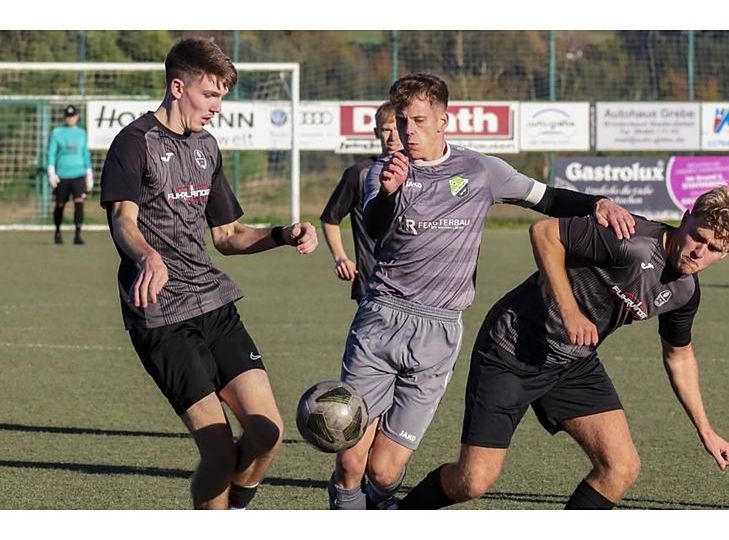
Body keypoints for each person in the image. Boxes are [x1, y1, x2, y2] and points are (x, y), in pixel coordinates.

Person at [326, 73, 636, 510]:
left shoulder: (480, 170)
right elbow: (376, 227)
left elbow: (544, 198)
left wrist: (595, 203)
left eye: (417, 120)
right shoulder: (386, 172)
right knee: (351, 462)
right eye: (401, 120)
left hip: (439, 332)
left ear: (443, 120)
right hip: (381, 319)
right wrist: (391, 195)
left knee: (384, 471)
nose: (406, 131)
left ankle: (378, 505)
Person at [398, 186, 729, 510]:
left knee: (621, 467)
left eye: (715, 249)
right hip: (512, 347)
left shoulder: (684, 293)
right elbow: (544, 234)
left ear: (725, 255)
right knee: (473, 481)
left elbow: (679, 357)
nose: (700, 251)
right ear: (685, 218)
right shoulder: (630, 238)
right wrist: (570, 311)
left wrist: (706, 429)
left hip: (571, 362)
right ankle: (395, 515)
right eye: (698, 236)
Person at [99, 37, 318, 510]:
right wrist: (147, 257)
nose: (218, 107)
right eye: (211, 95)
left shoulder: (207, 146)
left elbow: (229, 236)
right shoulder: (133, 144)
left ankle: (230, 510)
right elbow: (122, 219)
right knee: (218, 452)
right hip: (162, 318)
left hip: (214, 304)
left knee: (267, 433)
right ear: (178, 87)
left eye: (222, 96)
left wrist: (283, 234)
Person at [320, 102, 402, 303]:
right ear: (376, 132)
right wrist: (340, 257)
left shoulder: (421, 171)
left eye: (397, 129)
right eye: (386, 130)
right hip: (371, 281)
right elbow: (330, 218)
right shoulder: (359, 174)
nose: (392, 136)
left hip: (411, 280)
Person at [48, 104, 93, 245]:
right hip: (62, 174)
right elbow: (51, 152)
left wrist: (88, 172)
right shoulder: (57, 132)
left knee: (79, 202)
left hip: (78, 173)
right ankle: (57, 231)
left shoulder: (82, 133)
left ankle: (78, 234)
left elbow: (85, 153)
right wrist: (51, 171)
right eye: (68, 116)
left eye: (72, 116)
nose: (70, 119)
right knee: (60, 204)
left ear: (77, 117)